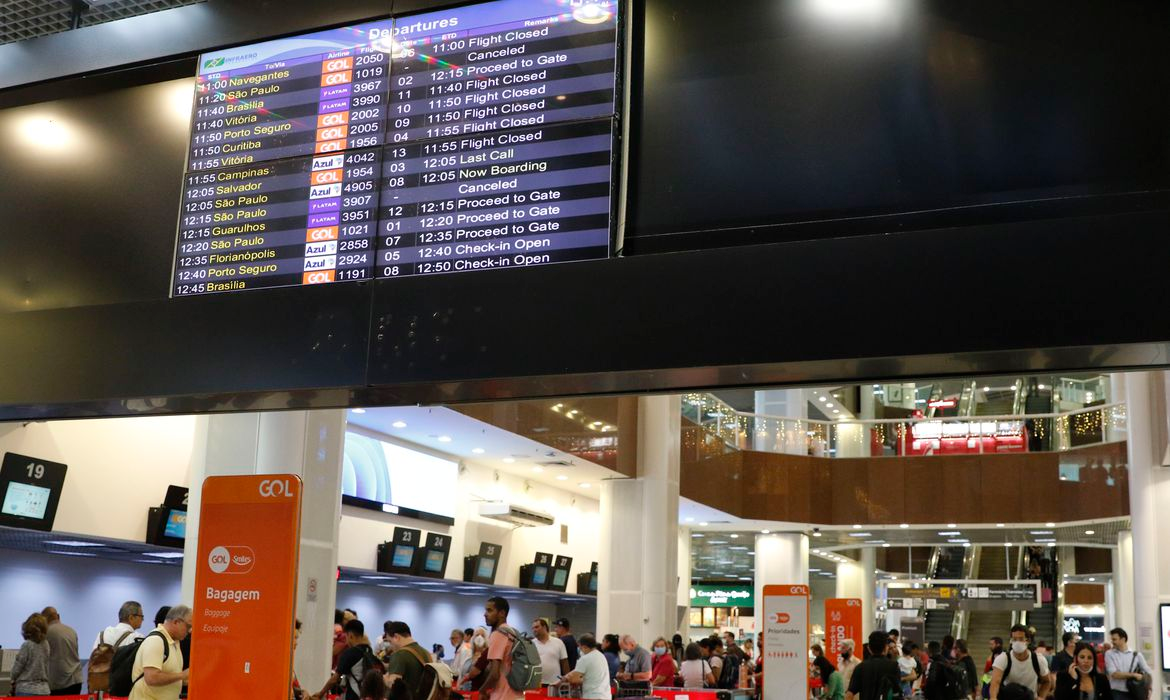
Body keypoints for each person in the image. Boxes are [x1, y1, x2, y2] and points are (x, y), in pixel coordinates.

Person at [128, 605, 191, 700]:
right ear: (176, 622)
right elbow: (152, 678)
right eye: (188, 626)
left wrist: (185, 680)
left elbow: (170, 675)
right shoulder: (156, 640)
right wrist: (182, 675)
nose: (190, 630)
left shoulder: (174, 642)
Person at [316, 619, 377, 700]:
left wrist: (320, 694)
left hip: (353, 695)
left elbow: (335, 679)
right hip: (368, 695)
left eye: (346, 637)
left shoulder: (349, 653)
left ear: (350, 635)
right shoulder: (369, 650)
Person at [990, 625, 1051, 700]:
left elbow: (1047, 681)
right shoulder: (1003, 659)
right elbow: (995, 682)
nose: (1017, 642)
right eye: (1014, 639)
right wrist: (993, 697)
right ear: (1011, 641)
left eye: (1021, 639)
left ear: (1027, 641)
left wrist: (1041, 697)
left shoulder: (1038, 660)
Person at [481, 597, 523, 700]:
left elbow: (495, 674)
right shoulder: (513, 633)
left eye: (489, 610)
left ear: (502, 613)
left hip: (503, 696)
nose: (485, 614)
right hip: (517, 695)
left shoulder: (498, 634)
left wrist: (482, 690)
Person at [846, 631, 901, 700]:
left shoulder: (860, 667)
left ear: (869, 648)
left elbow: (850, 694)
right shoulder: (894, 666)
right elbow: (897, 693)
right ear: (885, 647)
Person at [40, 607, 82, 695]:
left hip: (59, 683)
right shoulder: (72, 631)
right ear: (58, 616)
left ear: (44, 619)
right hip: (76, 680)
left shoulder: (46, 633)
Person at [383, 621, 431, 693]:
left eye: (390, 641)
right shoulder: (426, 653)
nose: (390, 646)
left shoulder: (399, 655)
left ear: (396, 637)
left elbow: (393, 686)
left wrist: (385, 680)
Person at [1104, 628, 1151, 700]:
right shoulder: (1109, 654)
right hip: (1117, 692)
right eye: (1112, 639)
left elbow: (1148, 672)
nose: (1112, 642)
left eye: (1114, 639)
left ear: (1123, 639)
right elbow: (1114, 674)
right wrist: (1134, 675)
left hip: (1135, 692)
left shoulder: (1136, 655)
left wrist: (1148, 689)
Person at [562, 634, 612, 700]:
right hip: (606, 696)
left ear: (585, 647)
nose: (579, 650)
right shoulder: (601, 656)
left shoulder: (584, 659)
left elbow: (574, 680)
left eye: (580, 647)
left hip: (592, 696)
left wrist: (567, 678)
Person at [11, 613, 51, 697]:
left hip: (26, 690)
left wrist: (12, 678)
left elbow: (17, 670)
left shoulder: (27, 645)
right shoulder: (46, 644)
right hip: (44, 690)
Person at [533, 618, 569, 686]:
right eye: (533, 628)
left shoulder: (558, 642)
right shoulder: (531, 644)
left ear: (544, 627)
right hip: (537, 683)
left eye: (537, 627)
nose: (534, 630)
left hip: (555, 683)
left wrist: (566, 679)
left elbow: (564, 662)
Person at [458, 627, 490, 691]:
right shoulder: (468, 653)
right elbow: (461, 672)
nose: (479, 637)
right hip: (465, 690)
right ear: (473, 638)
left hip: (479, 691)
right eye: (477, 635)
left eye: (482, 636)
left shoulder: (487, 655)